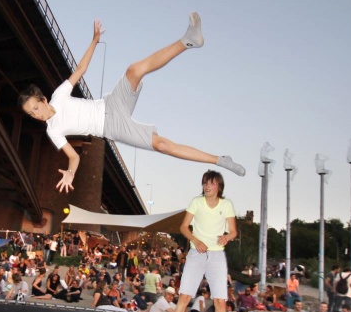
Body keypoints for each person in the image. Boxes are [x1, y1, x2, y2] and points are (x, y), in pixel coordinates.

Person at [18, 14, 245, 194]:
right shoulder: (53, 131)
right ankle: (221, 160)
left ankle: (188, 40)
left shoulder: (59, 95)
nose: (36, 114)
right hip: (111, 128)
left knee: (134, 70)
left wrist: (95, 40)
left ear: (43, 100)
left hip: (111, 104)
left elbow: (80, 70)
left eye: (35, 108)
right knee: (162, 145)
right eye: (31, 114)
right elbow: (74, 157)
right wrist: (70, 173)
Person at [161, 170, 237, 312]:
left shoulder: (226, 205)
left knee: (220, 301)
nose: (206, 186)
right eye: (204, 183)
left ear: (218, 185)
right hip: (197, 254)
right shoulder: (196, 202)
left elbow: (234, 231)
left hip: (217, 256)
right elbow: (183, 227)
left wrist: (227, 237)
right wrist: (197, 241)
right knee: (185, 297)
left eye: (210, 183)